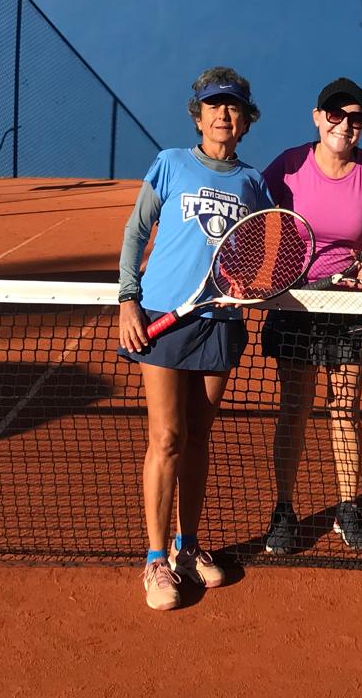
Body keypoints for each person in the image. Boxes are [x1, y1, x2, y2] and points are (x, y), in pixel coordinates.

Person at [118, 67, 274, 611]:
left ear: (246, 120)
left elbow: (265, 249)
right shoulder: (170, 163)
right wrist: (127, 298)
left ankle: (189, 548)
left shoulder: (253, 182)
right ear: (199, 114)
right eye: (214, 106)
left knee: (200, 436)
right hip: (164, 314)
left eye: (233, 107)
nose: (223, 115)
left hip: (221, 322)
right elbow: (138, 230)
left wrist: (249, 288)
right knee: (166, 437)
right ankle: (155, 560)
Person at [260, 78, 362, 555]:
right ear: (318, 117)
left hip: (349, 308)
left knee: (346, 408)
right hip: (297, 305)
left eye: (355, 118)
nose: (344, 125)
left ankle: (348, 506)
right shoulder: (288, 167)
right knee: (294, 409)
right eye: (335, 115)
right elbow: (260, 225)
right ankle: (283, 509)